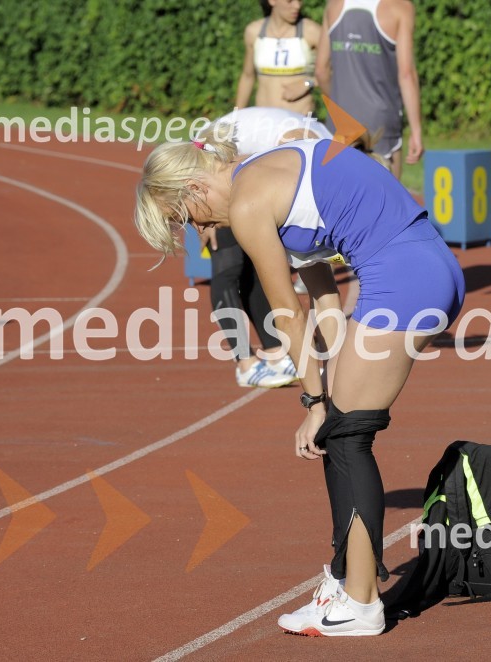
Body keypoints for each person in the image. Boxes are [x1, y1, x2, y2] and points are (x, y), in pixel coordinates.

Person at [134, 136, 465, 636]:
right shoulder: (268, 172)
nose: (200, 232)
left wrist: (314, 400)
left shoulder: (247, 202)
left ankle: (361, 603)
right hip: (423, 265)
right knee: (341, 428)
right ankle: (344, 579)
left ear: (195, 184)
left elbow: (285, 314)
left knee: (346, 435)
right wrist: (328, 384)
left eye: (189, 218)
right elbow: (323, 299)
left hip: (405, 276)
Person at [197, 107, 333, 387]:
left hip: (238, 167)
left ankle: (275, 353)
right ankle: (244, 364)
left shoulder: (323, 149)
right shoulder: (301, 143)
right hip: (211, 169)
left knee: (260, 265)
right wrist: (198, 217)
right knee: (228, 267)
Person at [315, 0, 423, 180]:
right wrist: (416, 131)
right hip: (381, 125)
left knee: (343, 199)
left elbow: (321, 71)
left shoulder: (334, 6)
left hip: (340, 124)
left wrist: (338, 106)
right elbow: (406, 74)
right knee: (388, 201)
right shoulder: (400, 8)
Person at [235, 0, 321, 115]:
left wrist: (307, 83)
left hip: (300, 121)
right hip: (265, 122)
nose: (297, 6)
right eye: (289, 1)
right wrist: (235, 118)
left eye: (299, 0)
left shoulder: (312, 31)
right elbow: (247, 76)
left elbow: (336, 70)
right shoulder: (254, 32)